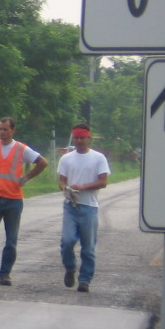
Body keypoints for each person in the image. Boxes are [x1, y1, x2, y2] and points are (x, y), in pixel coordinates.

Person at [0, 117, 49, 286]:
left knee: (11, 240)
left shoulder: (21, 149)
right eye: (0, 129)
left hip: (13, 200)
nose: (2, 132)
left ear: (13, 131)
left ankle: (5, 274)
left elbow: (43, 162)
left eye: (5, 129)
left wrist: (26, 178)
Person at [57, 123, 110, 293]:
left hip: (89, 207)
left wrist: (84, 186)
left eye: (82, 138)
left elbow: (103, 181)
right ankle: (70, 267)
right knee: (67, 241)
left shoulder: (98, 158)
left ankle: (85, 280)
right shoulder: (66, 158)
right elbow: (61, 180)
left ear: (89, 138)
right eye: (77, 138)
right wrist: (65, 188)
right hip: (71, 206)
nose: (79, 141)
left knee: (88, 248)